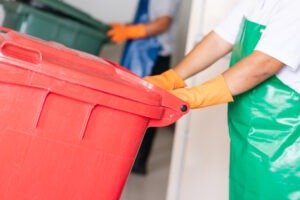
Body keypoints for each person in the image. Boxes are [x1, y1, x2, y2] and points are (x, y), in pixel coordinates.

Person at [144, 0, 300, 199]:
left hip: (286, 144)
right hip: (251, 135)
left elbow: (264, 64)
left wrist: (194, 96)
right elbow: (219, 40)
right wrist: (171, 77)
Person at [108, 0, 181, 175]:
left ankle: (137, 163)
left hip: (153, 57)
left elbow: (162, 23)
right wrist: (127, 27)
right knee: (131, 108)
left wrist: (131, 31)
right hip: (141, 52)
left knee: (145, 113)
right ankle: (123, 158)